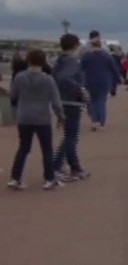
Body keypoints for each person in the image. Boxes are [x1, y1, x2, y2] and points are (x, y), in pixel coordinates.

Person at [7, 49, 65, 191]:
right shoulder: (48, 80)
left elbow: (13, 95)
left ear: (28, 60)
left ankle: (16, 178)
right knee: (47, 149)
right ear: (43, 62)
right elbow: (56, 102)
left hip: (24, 116)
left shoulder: (19, 77)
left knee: (24, 148)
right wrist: (60, 117)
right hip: (42, 117)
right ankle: (49, 178)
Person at [51, 33, 89, 182]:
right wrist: (80, 89)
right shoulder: (72, 61)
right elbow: (64, 78)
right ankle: (57, 166)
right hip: (71, 102)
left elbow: (56, 77)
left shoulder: (60, 60)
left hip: (62, 101)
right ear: (75, 45)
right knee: (71, 137)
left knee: (70, 136)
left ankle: (75, 167)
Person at [80, 31, 121, 130]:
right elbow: (113, 69)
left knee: (93, 102)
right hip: (104, 81)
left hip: (90, 81)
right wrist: (119, 79)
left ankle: (94, 122)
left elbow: (81, 68)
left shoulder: (87, 56)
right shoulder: (107, 56)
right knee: (102, 102)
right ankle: (102, 124)